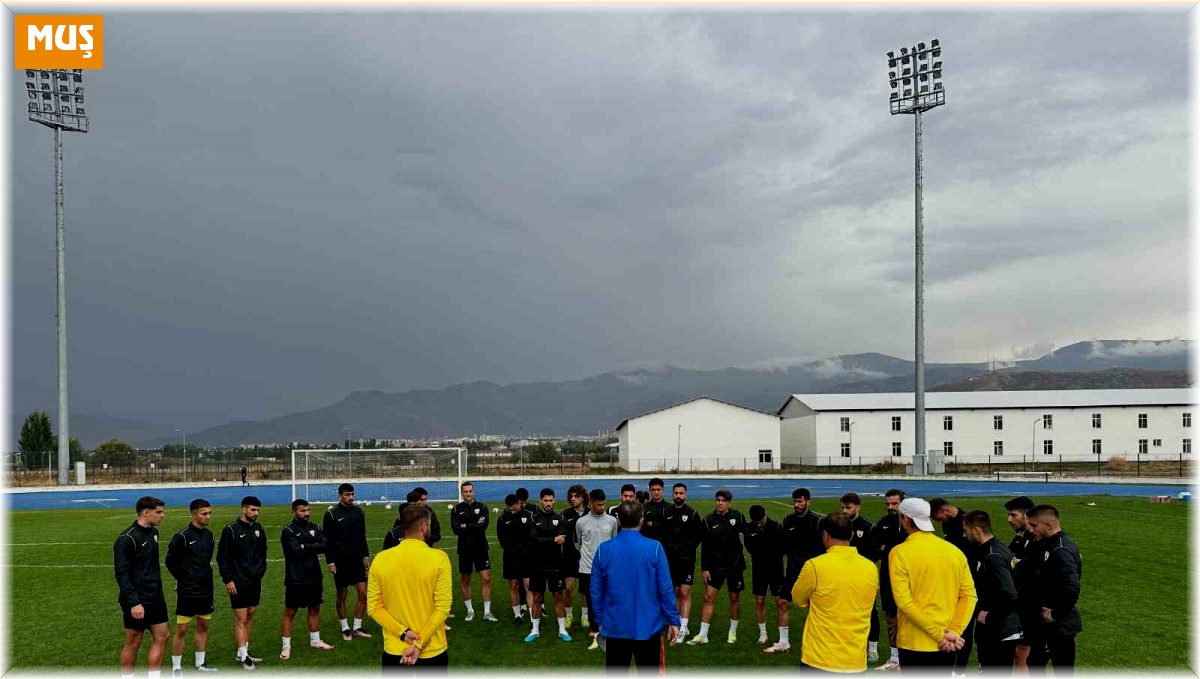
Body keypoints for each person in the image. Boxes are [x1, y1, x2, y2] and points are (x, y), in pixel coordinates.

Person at [591, 501, 681, 674]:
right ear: (641, 520)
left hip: (616, 625)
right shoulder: (654, 548)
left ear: (617, 520)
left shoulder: (604, 549)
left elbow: (596, 591)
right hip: (647, 626)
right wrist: (673, 620)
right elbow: (665, 588)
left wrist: (600, 620)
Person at [889, 497, 977, 675]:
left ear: (905, 520)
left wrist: (940, 634)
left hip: (915, 642)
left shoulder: (899, 553)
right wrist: (953, 632)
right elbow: (969, 596)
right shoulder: (954, 551)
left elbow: (904, 603)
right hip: (947, 643)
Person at [367, 503, 452, 673]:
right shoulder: (439, 558)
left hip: (395, 648)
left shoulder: (380, 559)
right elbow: (442, 608)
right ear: (423, 527)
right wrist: (419, 643)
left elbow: (374, 607)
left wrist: (403, 633)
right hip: (432, 650)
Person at [791, 512, 881, 674]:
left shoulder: (815, 566)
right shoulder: (870, 568)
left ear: (825, 535)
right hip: (855, 659)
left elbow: (798, 598)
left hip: (820, 658)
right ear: (852, 535)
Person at [1020, 504, 1082, 675]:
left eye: (1033, 525)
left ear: (1048, 525)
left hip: (1057, 626)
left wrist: (1055, 613)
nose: (1030, 529)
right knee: (1034, 663)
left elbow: (1072, 587)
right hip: (1044, 624)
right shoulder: (1047, 543)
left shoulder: (1061, 549)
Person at [115, 496, 170, 679]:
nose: (163, 515)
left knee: (162, 637)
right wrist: (134, 602)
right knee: (134, 641)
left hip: (155, 597)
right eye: (159, 512)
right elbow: (122, 574)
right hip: (137, 601)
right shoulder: (126, 539)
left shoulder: (154, 532)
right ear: (146, 513)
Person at [165, 498, 219, 675]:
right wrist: (182, 579)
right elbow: (170, 562)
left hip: (205, 588)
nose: (208, 517)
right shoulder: (182, 536)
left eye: (209, 513)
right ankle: (176, 668)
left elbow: (206, 560)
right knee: (182, 629)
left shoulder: (210, 535)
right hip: (188, 590)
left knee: (203, 626)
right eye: (204, 514)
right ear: (194, 514)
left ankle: (200, 664)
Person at [962, 510, 1020, 675]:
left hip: (999, 629)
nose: (965, 536)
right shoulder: (994, 548)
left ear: (977, 530)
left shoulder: (992, 555)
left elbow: (1010, 595)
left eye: (966, 531)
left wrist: (990, 616)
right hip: (996, 627)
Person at [687, 488, 747, 646]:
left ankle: (732, 631)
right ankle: (703, 634)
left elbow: (748, 534)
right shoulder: (707, 520)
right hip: (715, 566)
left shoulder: (738, 516)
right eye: (718, 500)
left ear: (729, 502)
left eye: (724, 501)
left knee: (734, 597)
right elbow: (704, 546)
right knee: (708, 598)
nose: (720, 503)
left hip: (735, 565)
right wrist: (705, 568)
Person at [217, 495, 269, 670]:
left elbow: (263, 552)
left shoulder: (259, 528)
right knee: (241, 618)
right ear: (244, 509)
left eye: (258, 510)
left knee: (251, 614)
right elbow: (222, 557)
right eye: (253, 510)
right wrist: (228, 579)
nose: (256, 513)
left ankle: (244, 651)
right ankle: (243, 656)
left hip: (255, 580)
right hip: (238, 581)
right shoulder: (230, 530)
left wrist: (261, 570)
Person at [279, 499, 335, 660]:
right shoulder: (288, 530)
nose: (306, 513)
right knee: (290, 611)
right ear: (294, 512)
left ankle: (316, 641)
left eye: (308, 510)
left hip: (314, 577)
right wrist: (311, 546)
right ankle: (286, 646)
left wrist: (305, 546)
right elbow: (294, 551)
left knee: (315, 608)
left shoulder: (315, 527)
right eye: (302, 511)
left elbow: (325, 545)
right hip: (295, 578)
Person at [929, 497, 975, 670]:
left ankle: (960, 667)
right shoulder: (948, 524)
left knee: (965, 625)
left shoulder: (968, 521)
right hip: (952, 579)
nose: (939, 522)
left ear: (945, 511)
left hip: (966, 580)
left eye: (939, 518)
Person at [323, 483, 372, 641]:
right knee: (342, 594)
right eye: (347, 495)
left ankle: (357, 626)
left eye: (352, 494)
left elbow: (362, 535)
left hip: (357, 560)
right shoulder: (331, 515)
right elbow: (327, 541)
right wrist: (330, 561)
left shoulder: (359, 511)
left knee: (363, 594)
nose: (351, 498)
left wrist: (365, 555)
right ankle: (345, 627)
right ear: (340, 495)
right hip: (341, 561)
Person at [842, 492, 883, 664]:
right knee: (846, 611)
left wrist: (860, 563)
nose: (844, 511)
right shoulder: (839, 525)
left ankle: (872, 649)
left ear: (858, 507)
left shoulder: (868, 527)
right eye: (842, 507)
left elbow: (876, 551)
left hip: (864, 577)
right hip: (843, 576)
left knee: (869, 612)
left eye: (848, 507)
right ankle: (850, 646)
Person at [576, 488, 619, 649]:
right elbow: (578, 543)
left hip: (608, 569)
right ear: (591, 503)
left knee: (609, 600)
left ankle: (610, 631)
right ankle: (596, 634)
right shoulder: (581, 522)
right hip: (587, 569)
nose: (602, 507)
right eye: (599, 504)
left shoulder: (612, 521)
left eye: (603, 504)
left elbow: (614, 542)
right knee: (593, 602)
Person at [527, 488, 572, 642]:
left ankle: (562, 630)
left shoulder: (560, 519)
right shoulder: (533, 518)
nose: (548, 503)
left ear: (554, 500)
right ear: (540, 501)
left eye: (550, 500)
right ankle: (534, 630)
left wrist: (543, 540)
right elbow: (533, 541)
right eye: (545, 500)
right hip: (537, 565)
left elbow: (562, 539)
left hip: (555, 565)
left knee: (558, 596)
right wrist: (553, 540)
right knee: (537, 597)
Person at [743, 504, 789, 652]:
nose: (759, 523)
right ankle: (763, 633)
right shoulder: (750, 528)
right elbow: (749, 547)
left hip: (775, 569)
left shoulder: (776, 526)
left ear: (765, 515)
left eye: (761, 520)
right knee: (759, 600)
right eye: (756, 521)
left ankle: (783, 637)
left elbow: (783, 547)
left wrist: (772, 557)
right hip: (759, 569)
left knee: (780, 601)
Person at [662, 482, 703, 645]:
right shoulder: (666, 512)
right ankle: (678, 622)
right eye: (676, 493)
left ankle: (683, 628)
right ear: (672, 495)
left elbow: (698, 536)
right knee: (676, 592)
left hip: (686, 560)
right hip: (670, 560)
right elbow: (663, 535)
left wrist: (686, 549)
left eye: (681, 493)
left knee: (685, 592)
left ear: (685, 495)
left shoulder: (692, 514)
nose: (678, 496)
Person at [450, 481, 497, 622]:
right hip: (464, 548)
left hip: (481, 547)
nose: (468, 494)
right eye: (465, 491)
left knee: (486, 579)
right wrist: (475, 525)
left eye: (470, 491)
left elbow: (484, 526)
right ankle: (470, 611)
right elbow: (455, 529)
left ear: (473, 491)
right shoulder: (456, 509)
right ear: (461, 493)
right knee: (465, 580)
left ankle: (487, 612)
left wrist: (466, 526)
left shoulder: (482, 507)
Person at [871, 488, 906, 671]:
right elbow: (876, 548)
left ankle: (909, 657)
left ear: (903, 502)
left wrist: (888, 549)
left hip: (910, 578)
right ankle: (894, 658)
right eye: (888, 504)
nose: (891, 507)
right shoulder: (883, 523)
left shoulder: (912, 523)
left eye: (894, 503)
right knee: (891, 616)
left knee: (909, 616)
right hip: (887, 576)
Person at [1004, 496, 1036, 670]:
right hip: (1019, 604)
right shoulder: (1019, 537)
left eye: (1013, 515)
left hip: (1031, 606)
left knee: (1023, 653)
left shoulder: (1037, 540)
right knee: (1019, 653)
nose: (1009, 519)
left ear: (1026, 516)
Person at [497, 493, 535, 627]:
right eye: (510, 509)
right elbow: (502, 540)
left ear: (519, 503)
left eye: (514, 508)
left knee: (528, 586)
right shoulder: (502, 518)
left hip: (526, 557)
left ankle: (532, 618)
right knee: (513, 585)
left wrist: (523, 551)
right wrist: (512, 551)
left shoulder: (528, 515)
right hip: (510, 557)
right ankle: (517, 615)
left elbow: (532, 536)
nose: (512, 511)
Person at [559, 484, 589, 629]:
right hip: (569, 556)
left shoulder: (591, 513)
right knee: (569, 588)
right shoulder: (565, 514)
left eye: (576, 496)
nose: (573, 499)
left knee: (585, 589)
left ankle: (585, 616)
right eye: (571, 496)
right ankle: (569, 615)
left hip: (586, 557)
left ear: (583, 497)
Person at [641, 478, 669, 547]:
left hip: (665, 546)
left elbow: (669, 527)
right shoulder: (644, 507)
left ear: (663, 490)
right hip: (648, 545)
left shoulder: (669, 507)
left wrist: (653, 524)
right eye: (653, 490)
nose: (656, 492)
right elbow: (642, 527)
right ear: (650, 490)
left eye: (658, 490)